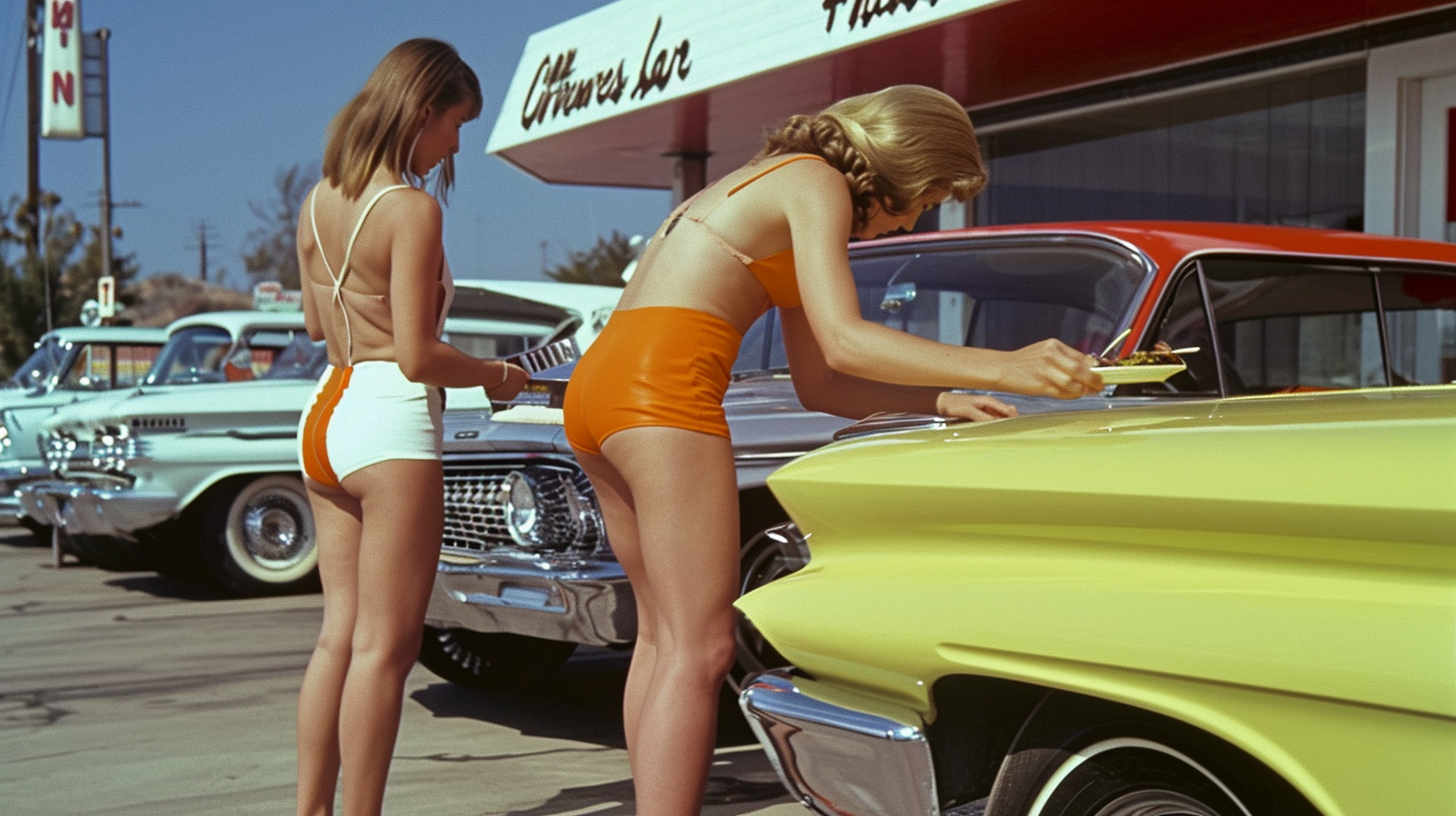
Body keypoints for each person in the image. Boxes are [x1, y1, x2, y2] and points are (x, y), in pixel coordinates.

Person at [562, 84, 1104, 816]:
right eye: (930, 193)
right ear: (901, 166)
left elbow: (820, 381)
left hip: (600, 389)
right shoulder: (814, 180)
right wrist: (1002, 363)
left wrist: (938, 401)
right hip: (663, 392)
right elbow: (849, 338)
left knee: (663, 642)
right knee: (702, 649)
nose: (916, 215)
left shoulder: (773, 178)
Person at [292, 39, 528, 816]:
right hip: (389, 420)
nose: (459, 143)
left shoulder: (318, 198)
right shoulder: (412, 209)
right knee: (385, 651)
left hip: (325, 410)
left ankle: (311, 810)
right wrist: (497, 375)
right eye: (456, 124)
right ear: (422, 111)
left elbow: (316, 323)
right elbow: (420, 356)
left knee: (339, 637)